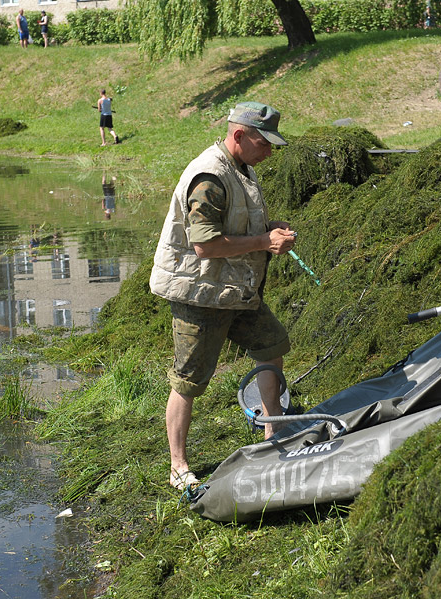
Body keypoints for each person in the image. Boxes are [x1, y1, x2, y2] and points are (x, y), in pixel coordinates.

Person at [149, 101, 294, 491]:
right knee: (189, 380)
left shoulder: (241, 167)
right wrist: (264, 240)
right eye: (265, 143)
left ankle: (272, 431)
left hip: (235, 289)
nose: (270, 152)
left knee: (271, 347)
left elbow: (237, 219)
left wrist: (269, 226)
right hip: (201, 293)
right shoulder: (209, 177)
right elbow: (205, 246)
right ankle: (178, 466)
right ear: (239, 135)